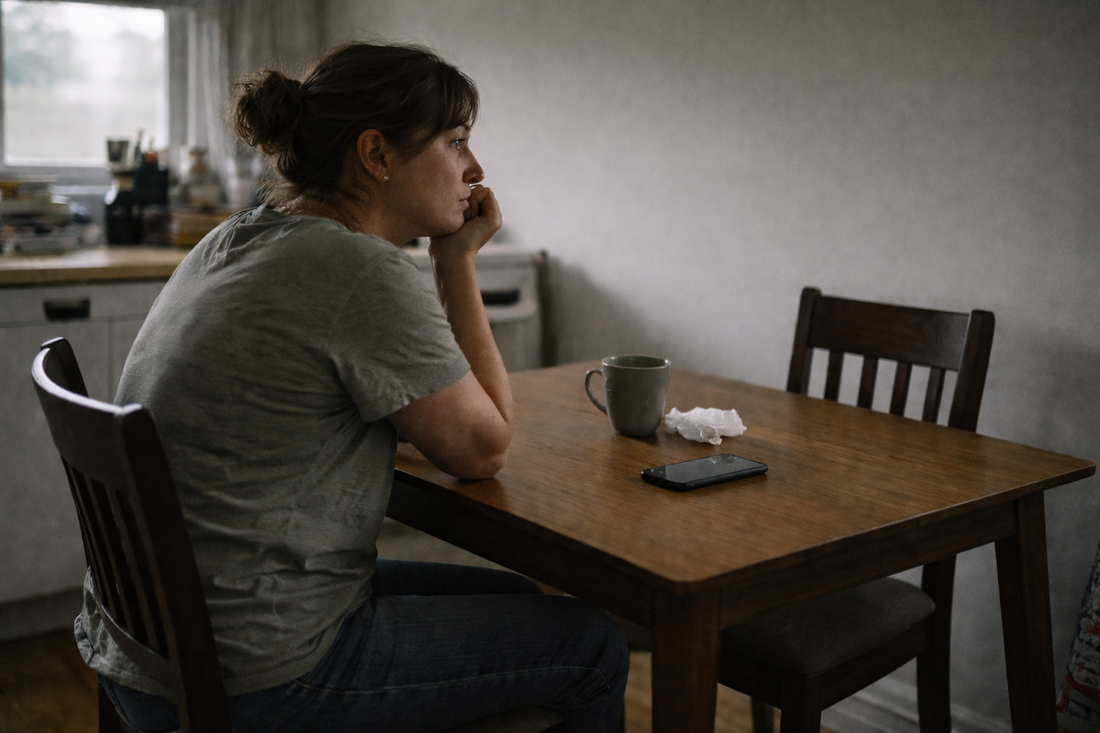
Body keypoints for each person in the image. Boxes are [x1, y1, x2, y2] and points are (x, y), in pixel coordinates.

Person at [77, 41, 628, 733]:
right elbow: (484, 449)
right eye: (455, 142)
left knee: (516, 597)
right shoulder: (358, 270)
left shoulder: (237, 238)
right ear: (377, 155)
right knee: (593, 646)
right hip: (262, 673)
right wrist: (455, 262)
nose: (476, 169)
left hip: (155, 642)